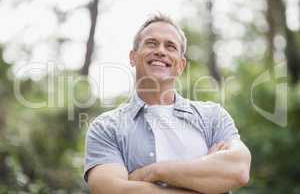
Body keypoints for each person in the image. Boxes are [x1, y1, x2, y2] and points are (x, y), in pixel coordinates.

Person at [84, 13, 251, 194]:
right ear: (132, 57)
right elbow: (110, 190)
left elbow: (239, 170)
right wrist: (206, 180)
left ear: (180, 65)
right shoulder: (107, 127)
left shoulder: (213, 116)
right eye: (151, 44)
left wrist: (153, 172)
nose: (161, 51)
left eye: (170, 46)